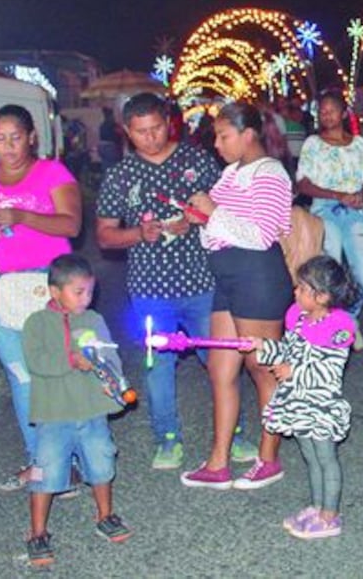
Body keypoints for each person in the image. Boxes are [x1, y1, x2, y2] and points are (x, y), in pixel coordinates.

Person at [96, 92, 254, 470]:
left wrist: (199, 218)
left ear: (169, 123)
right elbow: (104, 234)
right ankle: (167, 438)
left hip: (202, 282)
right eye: (140, 132)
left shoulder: (197, 161)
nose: (150, 138)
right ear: (126, 131)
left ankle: (234, 433)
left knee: (220, 361)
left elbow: (230, 211)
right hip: (150, 289)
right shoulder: (120, 175)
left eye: (156, 128)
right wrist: (140, 233)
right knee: (158, 366)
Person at [0, 104, 82, 491]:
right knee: (21, 377)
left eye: (15, 138)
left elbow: (71, 224)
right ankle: (41, 463)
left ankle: (71, 460)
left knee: (54, 373)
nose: (8, 147)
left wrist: (21, 217)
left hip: (45, 284)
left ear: (31, 138)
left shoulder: (52, 173)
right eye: (0, 139)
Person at [181, 103, 294, 489]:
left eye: (223, 135)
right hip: (228, 275)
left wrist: (212, 212)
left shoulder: (270, 173)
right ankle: (218, 462)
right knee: (221, 369)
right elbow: (220, 229)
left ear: (248, 135)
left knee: (261, 368)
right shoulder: (231, 173)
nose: (217, 144)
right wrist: (198, 218)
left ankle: (269, 459)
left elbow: (262, 235)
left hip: (257, 275)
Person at [22, 254, 132, 567]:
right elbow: (37, 362)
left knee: (101, 460)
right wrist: (72, 360)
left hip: (91, 411)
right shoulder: (37, 323)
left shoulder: (94, 320)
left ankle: (105, 515)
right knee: (45, 470)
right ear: (55, 292)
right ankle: (38, 532)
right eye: (78, 292)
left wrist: (115, 383)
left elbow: (110, 356)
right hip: (54, 414)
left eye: (90, 292)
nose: (86, 298)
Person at [241, 256, 360, 540]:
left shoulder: (338, 328)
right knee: (310, 457)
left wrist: (294, 371)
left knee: (326, 458)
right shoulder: (298, 319)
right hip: (299, 404)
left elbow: (329, 370)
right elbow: (287, 351)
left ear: (323, 296)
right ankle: (317, 507)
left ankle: (330, 515)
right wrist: (262, 346)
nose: (295, 292)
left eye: (303, 288)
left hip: (321, 405)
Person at [296, 93, 363, 319]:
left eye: (331, 111)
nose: (326, 115)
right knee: (330, 273)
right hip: (324, 210)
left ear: (343, 113)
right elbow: (303, 183)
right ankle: (331, 325)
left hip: (355, 211)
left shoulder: (359, 144)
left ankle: (346, 319)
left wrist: (361, 195)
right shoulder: (313, 144)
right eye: (322, 111)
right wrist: (336, 195)